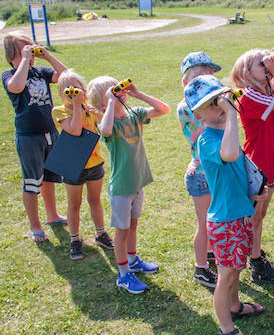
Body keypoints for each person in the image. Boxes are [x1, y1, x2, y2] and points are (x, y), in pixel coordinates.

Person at [185, 75, 268, 335]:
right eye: (210, 104)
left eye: (220, 98)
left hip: (240, 211)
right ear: (197, 114)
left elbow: (235, 168)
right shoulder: (206, 140)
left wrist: (253, 192)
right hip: (225, 220)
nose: (219, 106)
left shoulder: (224, 132)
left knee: (236, 269)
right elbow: (230, 154)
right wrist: (232, 112)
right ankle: (226, 328)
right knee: (226, 275)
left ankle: (235, 305)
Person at [88, 76, 170, 294]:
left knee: (133, 225)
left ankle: (133, 260)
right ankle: (123, 275)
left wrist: (138, 93)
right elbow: (104, 131)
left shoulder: (134, 116)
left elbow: (163, 109)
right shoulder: (108, 123)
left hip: (137, 183)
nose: (120, 94)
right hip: (121, 188)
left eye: (119, 91)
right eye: (114, 94)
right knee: (122, 232)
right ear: (103, 105)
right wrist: (111, 101)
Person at [230, 49, 274, 284]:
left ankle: (254, 253)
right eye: (262, 63)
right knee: (254, 216)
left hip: (269, 158)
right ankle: (255, 262)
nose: (267, 64)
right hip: (260, 161)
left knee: (259, 214)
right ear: (246, 73)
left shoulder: (264, 89)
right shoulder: (250, 95)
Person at [2, 32, 67, 242]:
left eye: (31, 49)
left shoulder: (41, 72)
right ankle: (35, 225)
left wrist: (47, 56)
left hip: (49, 131)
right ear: (13, 53)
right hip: (29, 136)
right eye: (24, 49)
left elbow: (66, 77)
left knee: (49, 177)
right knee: (32, 182)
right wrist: (23, 61)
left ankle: (52, 214)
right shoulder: (9, 75)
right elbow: (17, 87)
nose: (30, 54)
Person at [52, 70, 113, 259]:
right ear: (61, 93)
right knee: (74, 204)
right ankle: (75, 238)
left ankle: (101, 233)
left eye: (77, 89)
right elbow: (76, 130)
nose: (73, 93)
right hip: (73, 165)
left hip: (94, 163)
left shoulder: (90, 109)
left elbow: (105, 128)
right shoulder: (59, 111)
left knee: (95, 200)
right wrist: (78, 106)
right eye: (68, 90)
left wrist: (100, 113)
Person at [177, 52, 222, 287]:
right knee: (204, 223)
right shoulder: (187, 107)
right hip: (201, 173)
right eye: (200, 75)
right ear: (185, 83)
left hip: (211, 170)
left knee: (212, 220)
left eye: (210, 73)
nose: (207, 78)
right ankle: (201, 267)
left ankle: (210, 253)